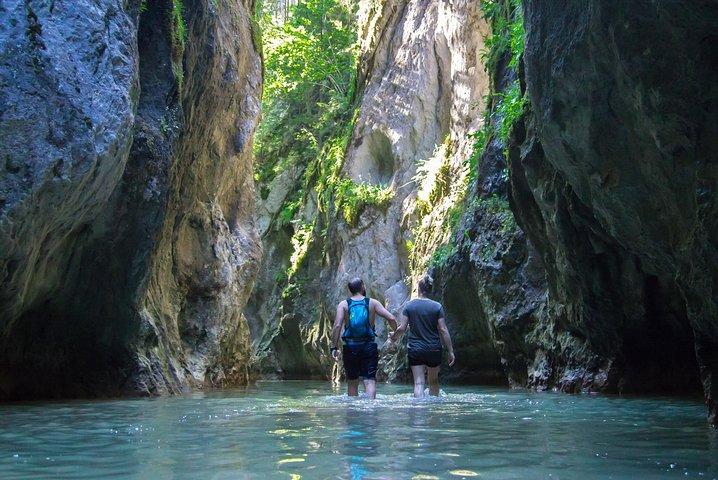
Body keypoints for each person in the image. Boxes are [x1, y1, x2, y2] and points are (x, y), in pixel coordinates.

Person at [387, 274, 455, 397]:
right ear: (431, 290)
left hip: (415, 348)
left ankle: (419, 412)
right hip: (433, 348)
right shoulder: (437, 307)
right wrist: (450, 351)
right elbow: (443, 329)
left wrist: (393, 338)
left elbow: (402, 328)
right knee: (433, 382)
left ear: (418, 289)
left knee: (418, 383)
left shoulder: (409, 306)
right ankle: (433, 412)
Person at [331, 277, 398, 399]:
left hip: (350, 347)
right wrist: (395, 335)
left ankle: (353, 413)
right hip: (368, 346)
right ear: (363, 287)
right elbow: (392, 318)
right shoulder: (372, 303)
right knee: (370, 380)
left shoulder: (344, 305)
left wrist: (334, 347)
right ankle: (370, 408)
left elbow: (337, 326)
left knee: (352, 382)